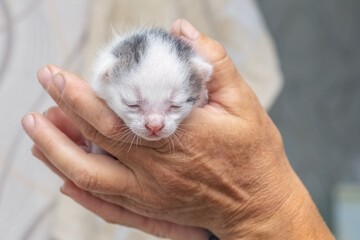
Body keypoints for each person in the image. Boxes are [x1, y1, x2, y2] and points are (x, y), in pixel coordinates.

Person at [22, 19, 334, 240]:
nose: (155, 124)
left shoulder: (198, 84)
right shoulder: (108, 72)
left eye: (174, 107)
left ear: (200, 87)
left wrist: (252, 217)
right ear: (105, 77)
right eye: (133, 105)